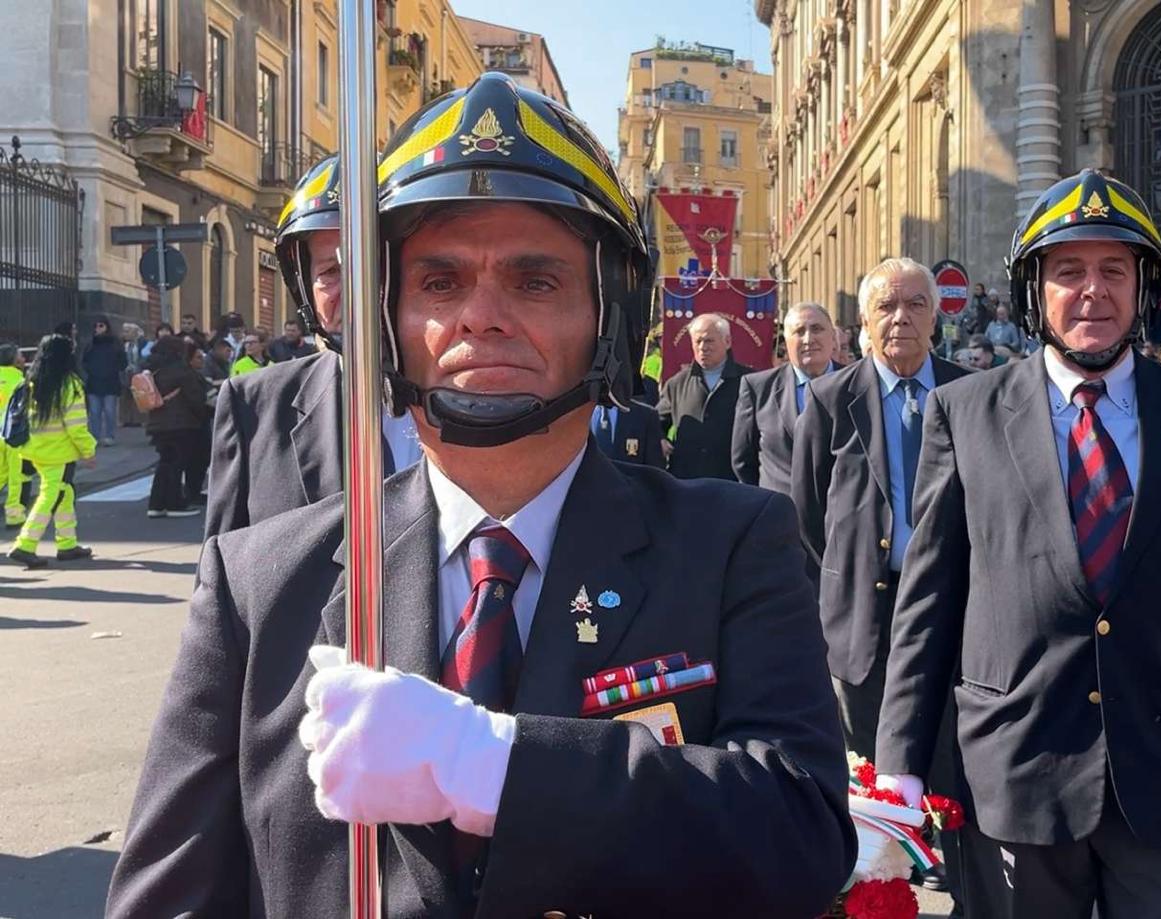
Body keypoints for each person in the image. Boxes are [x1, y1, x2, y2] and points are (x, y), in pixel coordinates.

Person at [108, 74, 852, 919]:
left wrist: (495, 764)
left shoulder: (730, 544)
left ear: (610, 318)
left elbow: (800, 832)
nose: (481, 317)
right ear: (384, 321)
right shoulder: (258, 581)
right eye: (438, 283)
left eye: (536, 282)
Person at [872, 170, 1161, 918]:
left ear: (1143, 288)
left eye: (1113, 270)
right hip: (1015, 772)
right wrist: (897, 762)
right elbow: (928, 605)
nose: (1092, 290)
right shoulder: (964, 413)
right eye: (1068, 271)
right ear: (1035, 293)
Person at [790, 256, 968, 762]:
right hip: (865, 619)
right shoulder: (829, 401)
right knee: (872, 778)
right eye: (885, 306)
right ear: (865, 322)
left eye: (916, 304)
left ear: (936, 317)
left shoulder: (970, 394)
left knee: (948, 769)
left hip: (952, 609)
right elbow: (808, 514)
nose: (901, 317)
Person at [205, 155, 424, 540]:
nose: (358, 289)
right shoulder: (254, 406)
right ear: (306, 290)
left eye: (374, 264)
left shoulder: (479, 397)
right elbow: (220, 569)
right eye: (331, 272)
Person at [7, 334, 95, 568]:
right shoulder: (69, 384)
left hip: (36, 448)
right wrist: (89, 451)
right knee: (52, 495)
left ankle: (67, 544)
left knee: (64, 493)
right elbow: (76, 425)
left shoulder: (33, 380)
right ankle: (25, 544)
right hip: (59, 451)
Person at [732, 302, 836, 493]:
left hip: (842, 515)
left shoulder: (858, 384)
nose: (808, 339)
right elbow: (742, 461)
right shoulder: (757, 389)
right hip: (780, 513)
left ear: (833, 337)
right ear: (785, 341)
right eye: (799, 331)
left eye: (817, 329)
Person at [656, 313, 750, 480]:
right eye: (697, 341)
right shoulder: (677, 384)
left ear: (727, 341)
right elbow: (655, 423)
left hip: (733, 483)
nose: (702, 347)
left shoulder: (748, 382)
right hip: (687, 483)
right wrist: (660, 439)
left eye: (709, 341)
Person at [142, 336, 210, 518]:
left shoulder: (152, 370)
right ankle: (174, 504)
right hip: (181, 423)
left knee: (165, 463)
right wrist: (203, 415)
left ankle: (156, 504)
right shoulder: (182, 371)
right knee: (176, 464)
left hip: (157, 423)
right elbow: (196, 399)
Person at [80, 318, 126, 446]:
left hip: (110, 382)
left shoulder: (115, 344)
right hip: (94, 382)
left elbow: (123, 361)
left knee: (110, 411)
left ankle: (109, 436)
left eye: (101, 326)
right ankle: (95, 436)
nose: (98, 329)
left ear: (107, 327)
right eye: (96, 326)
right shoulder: (91, 344)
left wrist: (113, 370)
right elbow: (85, 361)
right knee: (94, 412)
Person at [0, 343, 27, 527]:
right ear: (14, 360)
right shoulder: (20, 382)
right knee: (16, 477)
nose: (24, 359)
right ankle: (14, 515)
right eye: (20, 355)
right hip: (12, 434)